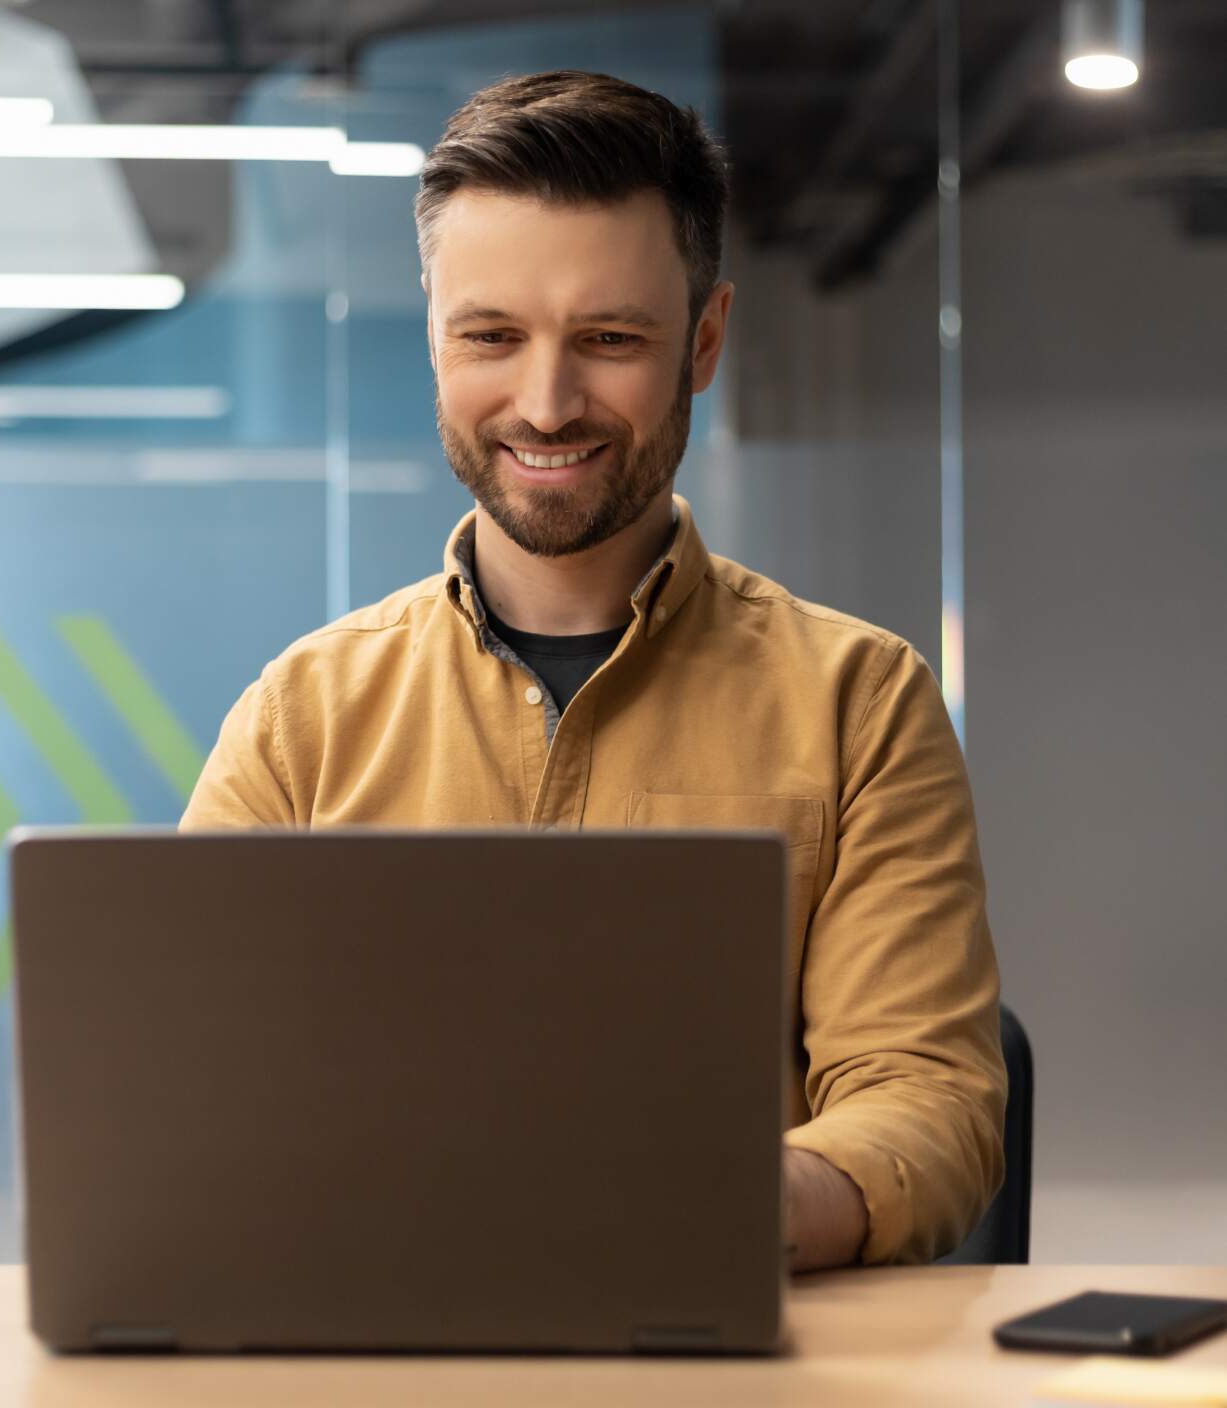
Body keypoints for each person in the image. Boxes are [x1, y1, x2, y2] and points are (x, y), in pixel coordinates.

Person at [182, 69, 1007, 1270]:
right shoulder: (302, 717)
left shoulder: (860, 703)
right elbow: (188, 1090)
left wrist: (713, 1206)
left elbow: (928, 1101)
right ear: (435, 339)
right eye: (491, 337)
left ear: (704, 341)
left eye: (610, 339)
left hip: (726, 1345)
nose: (545, 401)